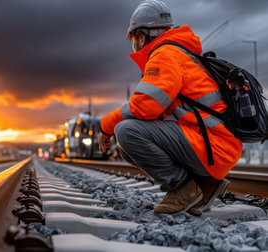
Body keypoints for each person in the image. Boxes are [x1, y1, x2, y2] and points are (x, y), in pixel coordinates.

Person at [98, 0, 242, 215]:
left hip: (213, 146)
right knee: (129, 140)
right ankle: (205, 184)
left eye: (133, 39)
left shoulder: (164, 55)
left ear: (141, 36)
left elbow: (146, 106)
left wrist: (106, 125)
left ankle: (183, 188)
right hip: (216, 144)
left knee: (126, 131)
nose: (134, 45)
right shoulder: (180, 53)